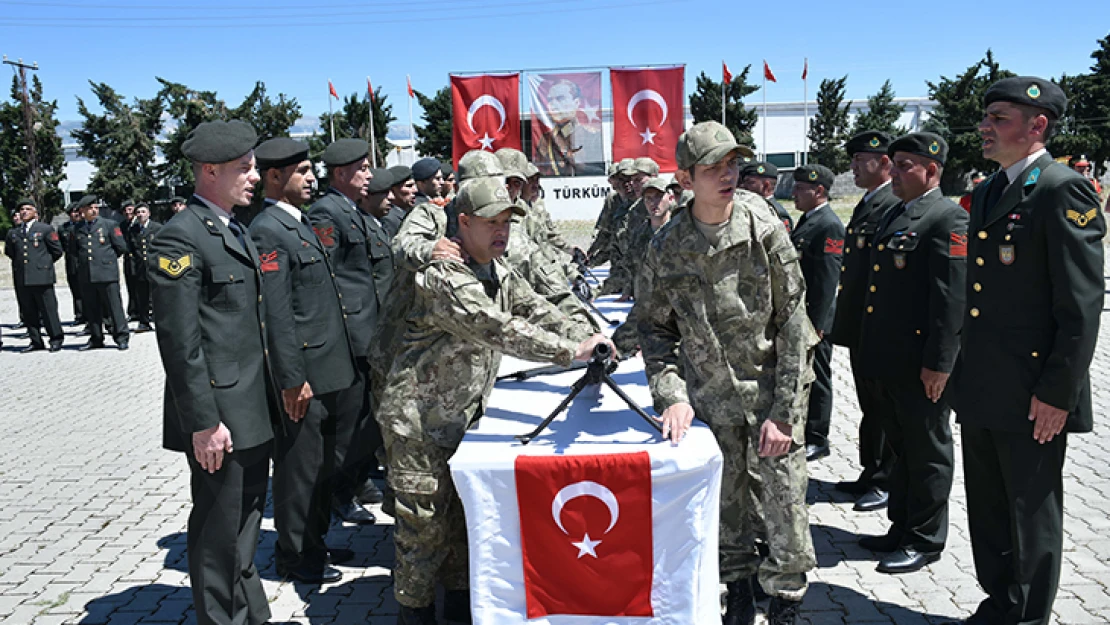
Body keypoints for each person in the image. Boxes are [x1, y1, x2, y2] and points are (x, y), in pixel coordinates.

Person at [377, 177, 607, 624]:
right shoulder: (444, 275)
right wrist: (568, 352)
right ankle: (414, 615)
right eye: (490, 223)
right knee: (422, 536)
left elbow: (535, 307)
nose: (501, 231)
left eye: (506, 222)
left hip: (460, 420)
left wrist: (588, 335)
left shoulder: (496, 268)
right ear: (462, 222)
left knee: (463, 532)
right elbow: (494, 325)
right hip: (419, 424)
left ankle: (460, 612)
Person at [638, 121, 817, 625]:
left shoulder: (763, 227)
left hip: (770, 394)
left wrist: (785, 414)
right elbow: (654, 331)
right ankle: (736, 589)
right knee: (726, 507)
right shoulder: (667, 246)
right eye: (714, 167)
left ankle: (785, 601)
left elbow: (793, 323)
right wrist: (670, 395)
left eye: (733, 163)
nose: (728, 174)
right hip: (710, 401)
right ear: (686, 177)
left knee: (784, 508)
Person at [946, 77, 1104, 625]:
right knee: (989, 507)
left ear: (1037, 126)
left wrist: (1058, 393)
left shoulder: (1062, 188)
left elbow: (1080, 306)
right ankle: (1000, 603)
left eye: (1000, 118)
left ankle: (1030, 616)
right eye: (986, 116)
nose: (985, 127)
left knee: (1029, 511)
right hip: (985, 381)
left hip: (1034, 390)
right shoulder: (990, 188)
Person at [148, 119, 278, 625]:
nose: (254, 176)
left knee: (242, 528)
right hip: (219, 416)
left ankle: (249, 615)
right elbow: (180, 344)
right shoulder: (178, 240)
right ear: (209, 171)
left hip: (249, 408)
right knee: (217, 534)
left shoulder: (230, 227)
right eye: (243, 168)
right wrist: (202, 423)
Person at [854, 132, 965, 575]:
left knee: (927, 450)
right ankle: (900, 526)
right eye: (893, 164)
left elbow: (950, 301)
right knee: (900, 448)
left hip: (921, 364)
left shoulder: (946, 218)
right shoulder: (898, 212)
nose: (894, 172)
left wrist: (940, 364)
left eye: (904, 166)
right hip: (889, 359)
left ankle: (925, 538)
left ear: (931, 171)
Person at [249, 137, 358, 584]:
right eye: (302, 171)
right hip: (304, 379)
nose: (312, 178)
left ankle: (316, 541)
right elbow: (276, 314)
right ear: (275, 177)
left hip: (328, 370)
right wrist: (292, 380)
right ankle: (296, 557)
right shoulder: (267, 230)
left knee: (321, 469)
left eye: (311, 170)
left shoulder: (299, 223)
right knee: (299, 472)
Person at [307, 138, 383, 523]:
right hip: (351, 338)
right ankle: (337, 496)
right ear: (341, 173)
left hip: (369, 334)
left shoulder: (352, 211)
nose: (369, 175)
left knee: (366, 424)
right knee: (347, 426)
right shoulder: (325, 213)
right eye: (363, 168)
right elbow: (327, 277)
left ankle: (352, 484)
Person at [830, 130, 901, 512]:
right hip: (860, 325)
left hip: (876, 328)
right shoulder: (869, 202)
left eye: (861, 160)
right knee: (869, 404)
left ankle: (885, 478)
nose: (853, 166)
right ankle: (871, 471)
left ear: (884, 163)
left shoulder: (890, 203)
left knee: (882, 407)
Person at [790, 164, 845, 462]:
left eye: (801, 188)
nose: (795, 193)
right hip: (804, 317)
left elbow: (827, 279)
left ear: (819, 191)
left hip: (816, 318)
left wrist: (819, 323)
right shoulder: (809, 220)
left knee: (819, 375)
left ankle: (818, 437)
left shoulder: (829, 225)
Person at [610, 177, 675, 354]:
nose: (653, 203)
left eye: (658, 197)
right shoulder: (640, 234)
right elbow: (629, 268)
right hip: (646, 307)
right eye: (648, 198)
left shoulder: (682, 232)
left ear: (670, 198)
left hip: (679, 309)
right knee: (614, 349)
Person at [4, 200, 64, 352]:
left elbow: (56, 251)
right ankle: (35, 341)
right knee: (29, 311)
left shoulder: (45, 229)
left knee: (48, 310)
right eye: (21, 209)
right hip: (22, 277)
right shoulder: (14, 232)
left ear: (35, 213)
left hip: (41, 276)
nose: (24, 211)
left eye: (28, 209)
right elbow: (10, 252)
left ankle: (55, 338)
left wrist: (43, 265)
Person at [73, 194, 130, 350]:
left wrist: (106, 261)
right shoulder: (77, 228)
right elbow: (74, 251)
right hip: (87, 274)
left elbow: (121, 247)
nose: (93, 210)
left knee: (114, 306)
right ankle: (96, 338)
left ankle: (121, 337)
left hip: (106, 273)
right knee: (91, 308)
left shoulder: (110, 225)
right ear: (83, 211)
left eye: (95, 207)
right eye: (90, 208)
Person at [533, 78, 606, 177]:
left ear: (576, 103)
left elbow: (601, 171)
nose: (553, 105)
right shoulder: (545, 140)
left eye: (560, 98)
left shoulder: (592, 136)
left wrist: (579, 166)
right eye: (550, 100)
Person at [585, 159, 635, 266]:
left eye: (630, 178)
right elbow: (606, 233)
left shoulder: (644, 202)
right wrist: (591, 256)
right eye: (621, 179)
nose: (626, 183)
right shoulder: (613, 201)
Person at [126, 203, 160, 332]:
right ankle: (144, 321)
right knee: (142, 296)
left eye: (143, 212)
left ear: (149, 213)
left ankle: (159, 320)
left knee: (157, 295)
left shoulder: (157, 228)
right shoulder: (133, 230)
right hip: (140, 268)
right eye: (138, 212)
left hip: (155, 267)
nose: (140, 215)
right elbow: (132, 250)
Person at [739, 161, 793, 231]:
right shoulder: (750, 206)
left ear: (766, 185)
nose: (743, 186)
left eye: (750, 182)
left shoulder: (777, 213)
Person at [59, 203, 85, 325]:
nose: (76, 214)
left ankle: (91, 317)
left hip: (84, 262)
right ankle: (79, 315)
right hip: (71, 262)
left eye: (78, 212)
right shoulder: (63, 228)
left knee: (87, 291)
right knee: (75, 290)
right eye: (73, 212)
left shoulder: (85, 226)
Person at [385, 164, 415, 237]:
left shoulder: (409, 212)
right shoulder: (390, 220)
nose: (415, 190)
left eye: (414, 185)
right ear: (392, 190)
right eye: (409, 186)